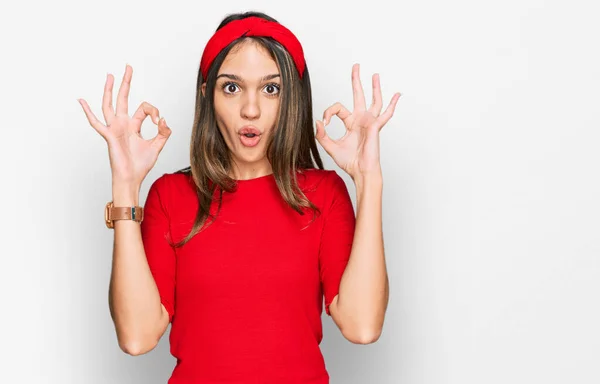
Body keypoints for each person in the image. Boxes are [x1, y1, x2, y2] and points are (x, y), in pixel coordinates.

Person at [78, 10, 399, 384]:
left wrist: (368, 180)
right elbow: (137, 336)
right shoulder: (170, 196)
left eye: (271, 88)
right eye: (231, 87)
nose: (251, 109)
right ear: (207, 95)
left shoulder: (323, 194)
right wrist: (125, 185)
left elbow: (362, 326)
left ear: (291, 98)